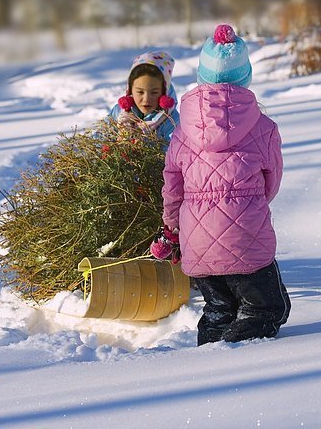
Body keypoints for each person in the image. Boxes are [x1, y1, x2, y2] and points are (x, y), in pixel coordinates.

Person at [151, 24, 291, 345]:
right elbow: (271, 183)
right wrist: (248, 202)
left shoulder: (182, 130)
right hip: (247, 238)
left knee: (219, 307)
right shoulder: (264, 127)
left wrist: (173, 227)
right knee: (267, 308)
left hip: (197, 245)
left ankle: (210, 352)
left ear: (202, 74)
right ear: (245, 76)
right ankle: (240, 354)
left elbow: (172, 188)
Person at [109, 51, 179, 144]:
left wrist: (146, 142)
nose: (146, 99)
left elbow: (174, 153)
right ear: (130, 90)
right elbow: (98, 137)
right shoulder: (118, 112)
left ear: (164, 93)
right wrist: (118, 135)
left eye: (154, 92)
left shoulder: (172, 121)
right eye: (140, 92)